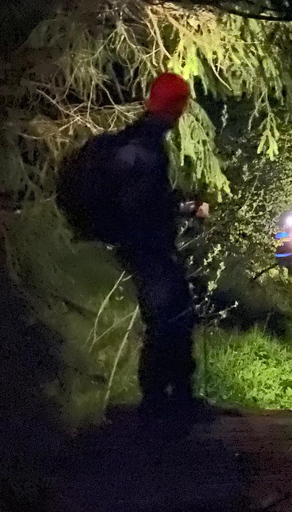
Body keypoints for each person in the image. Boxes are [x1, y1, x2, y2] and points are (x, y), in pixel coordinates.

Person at [57, 73, 208, 416]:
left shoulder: (135, 139)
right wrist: (172, 219)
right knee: (172, 314)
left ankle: (168, 398)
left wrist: (181, 209)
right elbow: (145, 204)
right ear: (178, 107)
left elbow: (146, 199)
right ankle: (165, 403)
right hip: (147, 247)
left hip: (137, 246)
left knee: (169, 313)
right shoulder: (146, 149)